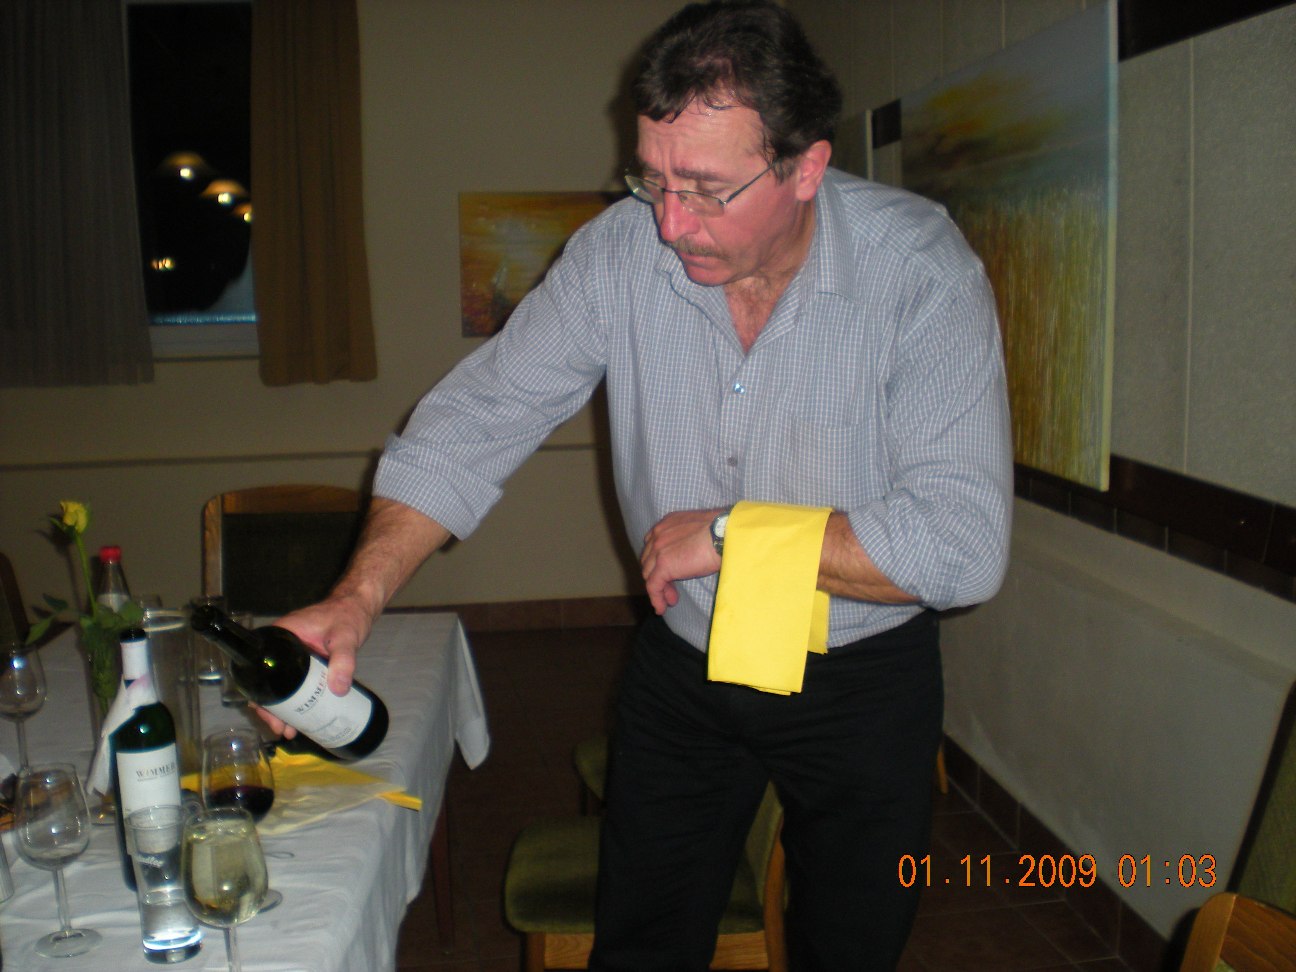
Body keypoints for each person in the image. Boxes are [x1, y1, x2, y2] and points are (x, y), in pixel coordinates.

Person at [272, 2, 1012, 969]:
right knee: (641, 941)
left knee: (851, 945)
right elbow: (475, 421)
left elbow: (961, 544)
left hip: (862, 676)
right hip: (688, 657)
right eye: (652, 180)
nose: (669, 224)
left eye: (705, 190)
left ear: (806, 168)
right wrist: (355, 598)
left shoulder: (917, 271)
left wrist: (734, 533)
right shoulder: (619, 253)